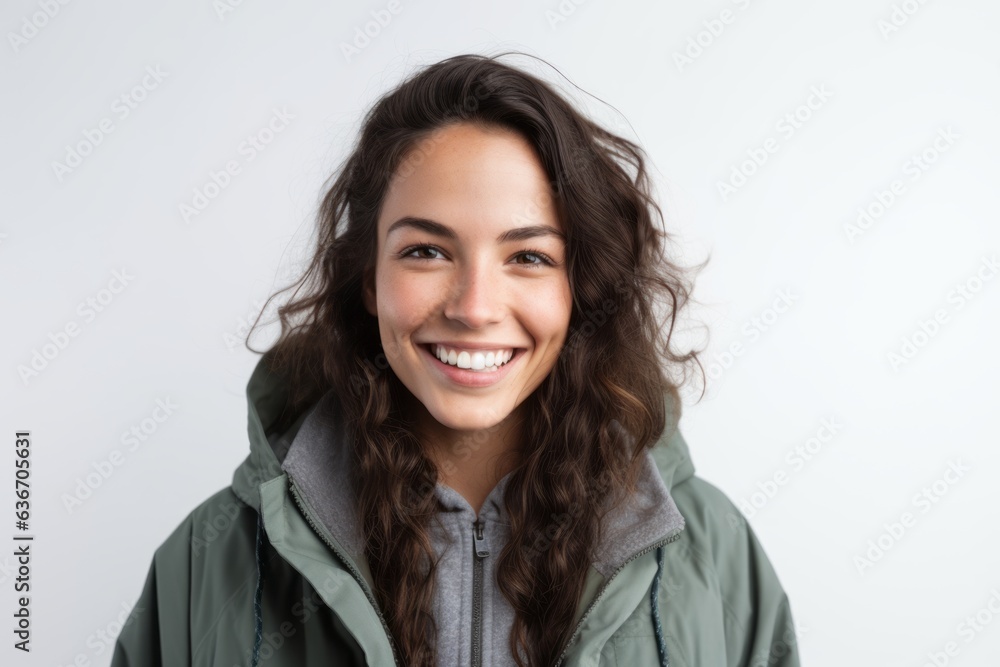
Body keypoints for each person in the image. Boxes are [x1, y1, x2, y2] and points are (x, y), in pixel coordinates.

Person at [111, 52, 801, 667]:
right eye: (426, 251)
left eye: (529, 256)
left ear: (579, 286)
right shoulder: (208, 562)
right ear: (367, 277)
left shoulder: (717, 561)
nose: (475, 306)